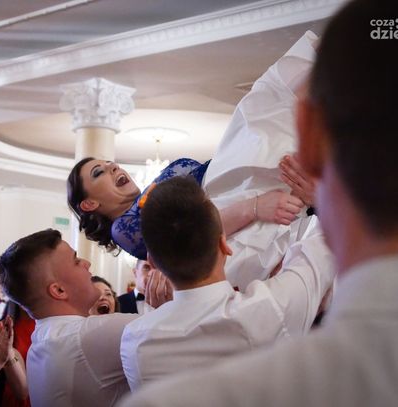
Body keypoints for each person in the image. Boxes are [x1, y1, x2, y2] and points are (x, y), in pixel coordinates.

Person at [120, 1, 398, 406]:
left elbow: (312, 260)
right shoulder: (266, 307)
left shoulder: (151, 366)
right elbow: (312, 261)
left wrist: (306, 202)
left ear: (308, 133)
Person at [68, 31, 318, 290]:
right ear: (89, 203)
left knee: (268, 108)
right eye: (99, 172)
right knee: (272, 117)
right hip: (227, 200)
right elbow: (188, 235)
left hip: (224, 173)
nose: (112, 167)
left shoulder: (151, 196)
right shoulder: (122, 228)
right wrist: (253, 207)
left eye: (108, 163)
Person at [120, 176, 334, 390]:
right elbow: (327, 242)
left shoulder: (135, 342)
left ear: (152, 262)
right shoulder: (268, 308)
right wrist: (321, 197)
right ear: (224, 243)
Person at [0, 229, 139, 407]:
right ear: (59, 290)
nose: (87, 263)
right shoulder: (88, 334)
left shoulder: (41, 338)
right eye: (76, 261)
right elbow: (169, 329)